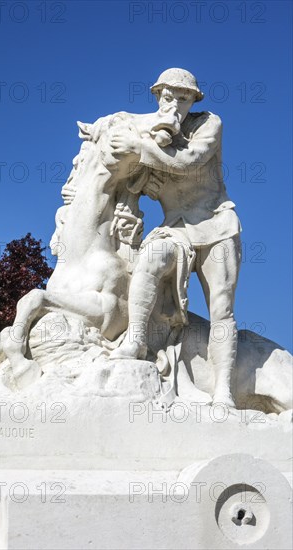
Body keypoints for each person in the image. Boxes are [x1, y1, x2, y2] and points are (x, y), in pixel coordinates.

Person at [110, 68, 242, 407]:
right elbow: (126, 184)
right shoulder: (149, 136)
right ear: (158, 98)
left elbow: (189, 161)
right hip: (177, 227)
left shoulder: (208, 123)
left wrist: (139, 147)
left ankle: (223, 391)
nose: (176, 104)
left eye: (183, 98)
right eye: (168, 97)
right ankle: (136, 340)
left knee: (222, 309)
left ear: (193, 100)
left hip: (216, 226)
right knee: (151, 259)